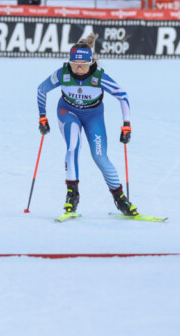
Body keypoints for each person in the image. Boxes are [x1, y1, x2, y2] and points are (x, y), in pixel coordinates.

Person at [36, 32, 137, 217]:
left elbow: (122, 96)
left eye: (83, 66)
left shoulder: (99, 77)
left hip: (93, 116)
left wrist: (126, 124)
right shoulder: (63, 74)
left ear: (91, 63)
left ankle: (121, 200)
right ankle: (72, 197)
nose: (79, 69)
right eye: (75, 65)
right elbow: (41, 90)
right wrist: (42, 117)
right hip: (68, 112)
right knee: (73, 146)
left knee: (100, 157)